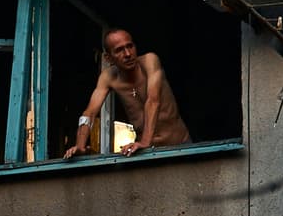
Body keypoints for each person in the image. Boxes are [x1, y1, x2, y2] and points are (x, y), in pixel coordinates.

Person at [63, 28, 191, 158]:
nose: (128, 53)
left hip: (180, 146)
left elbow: (153, 100)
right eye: (119, 50)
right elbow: (89, 113)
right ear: (108, 58)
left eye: (130, 46)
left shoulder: (149, 61)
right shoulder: (108, 77)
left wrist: (144, 142)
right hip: (149, 154)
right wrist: (80, 145)